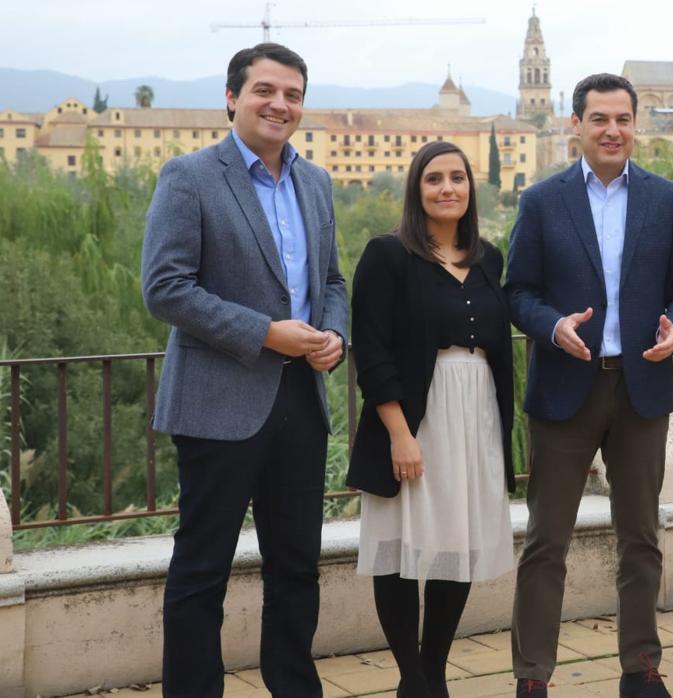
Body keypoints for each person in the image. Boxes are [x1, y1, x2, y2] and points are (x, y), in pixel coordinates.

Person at [141, 43, 347, 694]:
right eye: (264, 90)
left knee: (297, 570)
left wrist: (334, 332)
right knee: (202, 572)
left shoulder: (314, 182)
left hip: (300, 402)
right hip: (217, 404)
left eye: (291, 94)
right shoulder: (190, 175)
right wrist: (265, 334)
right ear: (232, 97)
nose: (278, 104)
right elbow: (165, 288)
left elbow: (332, 279)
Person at [505, 73, 673, 698]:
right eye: (599, 119)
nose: (612, 130)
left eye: (623, 119)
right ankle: (532, 677)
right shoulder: (542, 201)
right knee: (545, 544)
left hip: (642, 388)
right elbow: (517, 293)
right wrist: (551, 324)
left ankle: (641, 670)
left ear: (634, 124)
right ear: (576, 125)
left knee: (642, 538)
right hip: (565, 389)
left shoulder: (667, 199)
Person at [349, 141, 516, 698]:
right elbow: (370, 351)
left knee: (455, 544)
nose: (448, 188)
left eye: (458, 178)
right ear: (416, 190)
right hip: (415, 414)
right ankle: (411, 680)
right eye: (434, 179)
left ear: (471, 187)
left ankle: (435, 674)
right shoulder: (387, 254)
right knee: (401, 547)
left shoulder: (489, 258)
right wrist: (400, 433)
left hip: (475, 412)